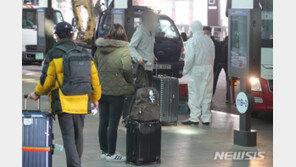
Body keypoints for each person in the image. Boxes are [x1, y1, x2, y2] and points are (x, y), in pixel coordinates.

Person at [28, 21, 102, 167]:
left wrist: (37, 93)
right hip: (82, 100)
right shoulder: (83, 52)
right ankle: (76, 163)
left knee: (68, 137)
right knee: (78, 135)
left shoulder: (53, 53)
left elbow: (47, 80)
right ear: (73, 35)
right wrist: (95, 98)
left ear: (56, 36)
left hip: (64, 101)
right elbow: (94, 78)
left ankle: (75, 165)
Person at [94, 24, 134, 162]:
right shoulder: (124, 50)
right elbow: (127, 70)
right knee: (113, 123)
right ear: (123, 35)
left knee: (103, 122)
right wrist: (131, 82)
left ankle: (104, 151)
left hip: (102, 90)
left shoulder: (100, 49)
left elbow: (95, 66)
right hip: (117, 93)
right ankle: (112, 154)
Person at [181, 21, 215, 126]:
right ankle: (206, 118)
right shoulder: (209, 41)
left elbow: (190, 58)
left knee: (195, 93)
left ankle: (194, 118)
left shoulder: (192, 41)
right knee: (207, 94)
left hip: (196, 70)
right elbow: (213, 56)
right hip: (208, 69)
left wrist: (185, 70)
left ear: (193, 29)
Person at [130, 10, 158, 86]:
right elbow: (131, 47)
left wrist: (153, 56)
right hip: (141, 68)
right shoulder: (140, 31)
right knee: (143, 91)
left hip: (149, 67)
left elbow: (147, 47)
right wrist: (139, 58)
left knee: (148, 90)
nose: (154, 22)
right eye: (153, 20)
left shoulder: (152, 32)